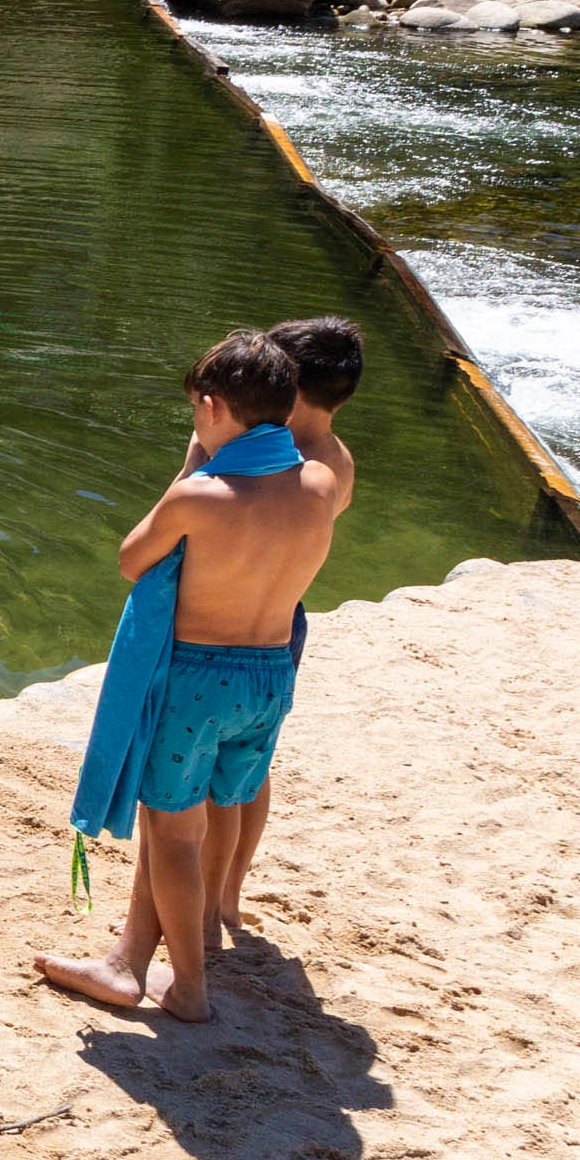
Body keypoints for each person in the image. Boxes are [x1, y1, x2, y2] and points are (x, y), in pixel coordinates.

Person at [36, 332, 344, 1022]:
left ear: (209, 405)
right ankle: (139, 956)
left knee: (172, 835)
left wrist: (193, 463)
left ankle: (190, 987)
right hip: (269, 676)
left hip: (197, 680)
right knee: (219, 808)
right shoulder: (321, 485)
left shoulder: (200, 497)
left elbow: (132, 558)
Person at [109, 316, 363, 972]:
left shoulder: (238, 476)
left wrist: (199, 461)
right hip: (273, 642)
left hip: (213, 645)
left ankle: (196, 920)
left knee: (181, 808)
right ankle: (220, 900)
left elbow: (143, 555)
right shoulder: (328, 470)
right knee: (241, 777)